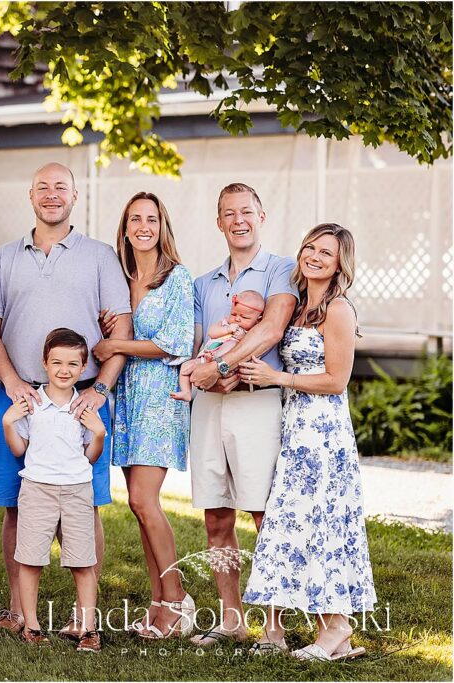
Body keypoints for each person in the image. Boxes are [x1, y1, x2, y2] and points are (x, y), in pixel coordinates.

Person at [0, 162, 133, 637]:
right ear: (30, 195)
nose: (51, 195)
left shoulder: (101, 256)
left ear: (74, 197)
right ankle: (17, 610)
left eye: (60, 187)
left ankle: (81, 616)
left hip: (82, 399)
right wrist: (9, 382)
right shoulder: (4, 258)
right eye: (43, 187)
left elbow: (121, 329)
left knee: (84, 505)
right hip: (18, 394)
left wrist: (100, 389)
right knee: (14, 503)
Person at [240, 224, 376, 660]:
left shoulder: (337, 310)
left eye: (327, 253)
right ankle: (321, 633)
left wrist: (278, 377)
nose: (315, 257)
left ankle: (336, 629)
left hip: (323, 434)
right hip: (295, 429)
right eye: (310, 248)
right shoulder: (298, 307)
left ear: (340, 264)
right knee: (295, 524)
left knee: (323, 525)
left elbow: (337, 380)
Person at [184, 182, 298, 647]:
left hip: (256, 403)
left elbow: (271, 329)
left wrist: (221, 367)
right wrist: (208, 370)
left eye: (247, 211)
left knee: (263, 512)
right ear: (218, 222)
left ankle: (275, 624)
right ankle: (232, 619)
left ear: (262, 215)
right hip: (210, 408)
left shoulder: (282, 271)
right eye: (229, 213)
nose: (238, 220)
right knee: (216, 516)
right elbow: (194, 346)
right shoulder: (201, 283)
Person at [92, 192, 195, 639]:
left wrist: (115, 345)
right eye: (135, 218)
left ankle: (176, 600)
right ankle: (157, 605)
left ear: (162, 225)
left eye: (151, 218)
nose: (143, 226)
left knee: (143, 500)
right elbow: (113, 328)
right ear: (126, 226)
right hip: (128, 402)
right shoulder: (121, 276)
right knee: (138, 506)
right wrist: (104, 331)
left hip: (160, 398)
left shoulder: (177, 278)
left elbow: (174, 344)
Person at [3, 328, 106, 653]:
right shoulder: (31, 403)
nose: (65, 370)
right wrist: (8, 423)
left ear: (84, 367)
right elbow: (19, 449)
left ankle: (89, 629)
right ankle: (32, 625)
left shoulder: (84, 407)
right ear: (45, 363)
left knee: (82, 561)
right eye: (57, 362)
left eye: (73, 364)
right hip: (37, 489)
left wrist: (99, 434)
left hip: (76, 490)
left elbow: (89, 456)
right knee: (31, 559)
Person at [171, 290, 264, 402]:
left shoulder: (253, 333)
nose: (237, 319)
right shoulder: (225, 323)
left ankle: (214, 361)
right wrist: (227, 329)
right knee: (185, 367)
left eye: (244, 317)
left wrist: (242, 337)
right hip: (205, 359)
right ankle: (186, 392)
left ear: (258, 320)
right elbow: (212, 333)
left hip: (228, 366)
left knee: (230, 346)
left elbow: (249, 350)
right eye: (234, 314)